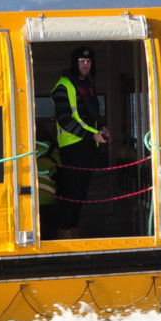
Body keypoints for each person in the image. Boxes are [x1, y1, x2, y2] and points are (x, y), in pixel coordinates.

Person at [50, 46, 109, 238]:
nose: (85, 65)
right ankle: (64, 230)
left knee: (81, 192)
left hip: (88, 146)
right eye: (82, 61)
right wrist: (92, 135)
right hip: (72, 146)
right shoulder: (64, 86)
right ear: (74, 62)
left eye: (89, 62)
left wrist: (102, 128)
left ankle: (72, 227)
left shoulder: (88, 85)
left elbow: (91, 115)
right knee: (71, 191)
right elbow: (65, 120)